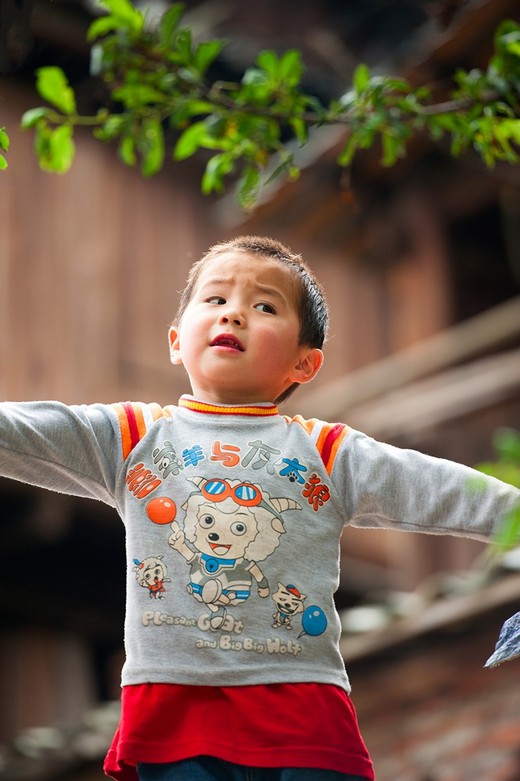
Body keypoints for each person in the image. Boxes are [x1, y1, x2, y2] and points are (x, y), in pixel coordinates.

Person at [0, 235, 518, 781]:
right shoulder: (131, 438)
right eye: (216, 299)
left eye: (264, 306)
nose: (236, 314)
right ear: (176, 341)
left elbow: (447, 489)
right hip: (176, 711)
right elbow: (19, 432)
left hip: (303, 711)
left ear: (304, 363)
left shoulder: (329, 453)